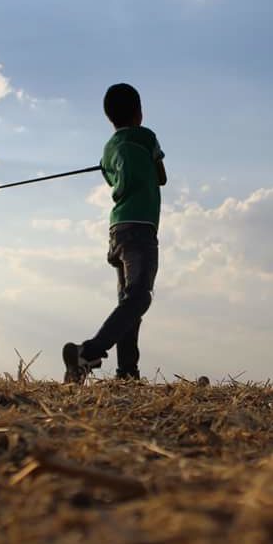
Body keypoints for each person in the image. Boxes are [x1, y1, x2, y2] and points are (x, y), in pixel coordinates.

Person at [63, 83, 167, 384]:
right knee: (140, 297)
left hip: (117, 230)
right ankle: (89, 351)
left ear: (110, 118)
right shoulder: (146, 137)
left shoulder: (108, 149)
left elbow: (113, 178)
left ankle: (127, 373)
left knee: (129, 301)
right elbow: (162, 177)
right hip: (142, 227)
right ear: (140, 112)